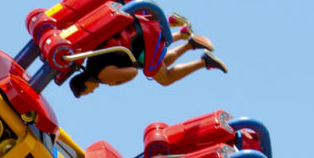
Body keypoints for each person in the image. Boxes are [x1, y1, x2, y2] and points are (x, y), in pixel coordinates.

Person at [69, 26, 225, 97]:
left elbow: (132, 73)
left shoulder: (102, 76)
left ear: (84, 84)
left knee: (165, 78)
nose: (91, 92)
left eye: (86, 92)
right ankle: (189, 42)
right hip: (137, 37)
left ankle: (204, 62)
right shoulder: (90, 64)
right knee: (159, 65)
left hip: (140, 47)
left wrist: (116, 82)